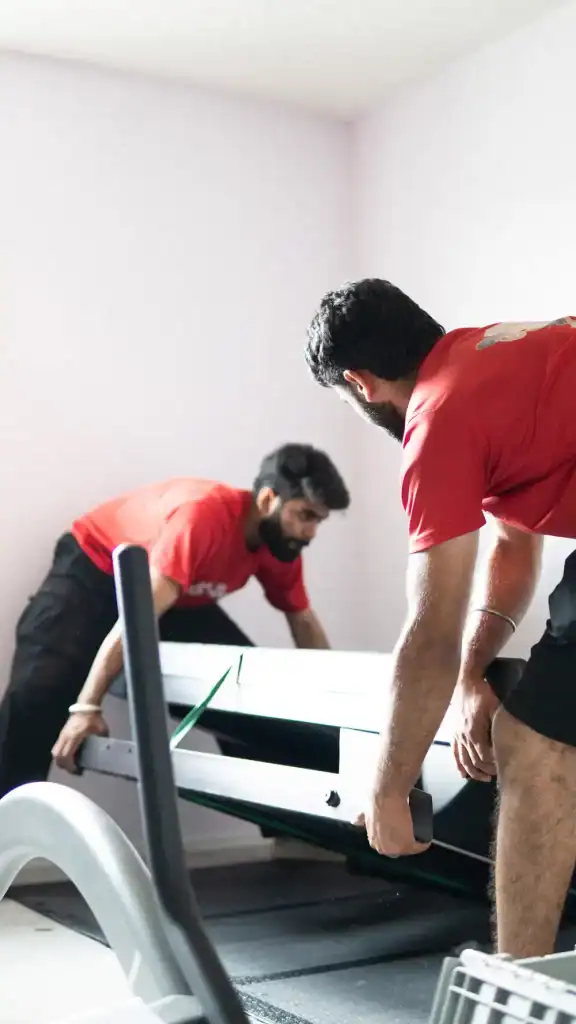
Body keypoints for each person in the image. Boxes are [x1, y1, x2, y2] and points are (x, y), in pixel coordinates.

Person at [305, 278, 576, 959]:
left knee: (537, 743)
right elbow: (513, 547)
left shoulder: (437, 417)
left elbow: (431, 630)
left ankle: (522, 989)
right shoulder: (500, 357)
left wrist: (389, 790)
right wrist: (473, 674)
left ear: (360, 383)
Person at [0, 443, 349, 799]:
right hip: (95, 569)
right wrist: (86, 707)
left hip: (177, 597)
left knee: (248, 694)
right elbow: (137, 617)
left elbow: (303, 622)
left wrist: (341, 710)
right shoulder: (203, 517)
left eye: (318, 521)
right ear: (267, 500)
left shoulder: (280, 544)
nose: (311, 532)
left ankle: (281, 819)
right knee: (38, 692)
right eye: (305, 515)